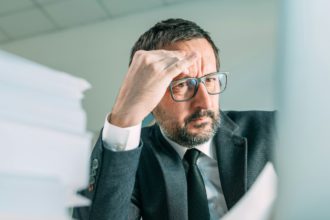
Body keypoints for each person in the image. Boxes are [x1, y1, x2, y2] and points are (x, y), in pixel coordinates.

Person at [73, 18, 275, 220]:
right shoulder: (130, 157)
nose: (204, 103)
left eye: (211, 80)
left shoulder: (274, 130)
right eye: (183, 84)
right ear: (149, 95)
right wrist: (124, 116)